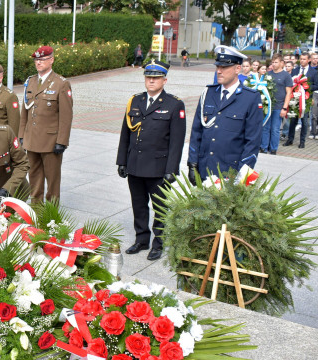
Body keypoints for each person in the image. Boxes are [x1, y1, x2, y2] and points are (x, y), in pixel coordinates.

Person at [116, 60, 186, 261]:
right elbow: (125, 134)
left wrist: (171, 169)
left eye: (156, 78)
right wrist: (122, 161)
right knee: (138, 204)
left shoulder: (174, 104)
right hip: (135, 164)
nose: (151, 81)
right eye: (148, 77)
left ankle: (159, 242)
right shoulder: (135, 101)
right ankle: (141, 239)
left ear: (165, 80)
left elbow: (176, 141)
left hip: (158, 167)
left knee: (160, 207)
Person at [188, 45, 264, 181]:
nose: (219, 71)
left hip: (230, 173)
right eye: (218, 67)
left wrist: (242, 176)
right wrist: (193, 163)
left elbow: (252, 141)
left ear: (237, 69)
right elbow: (196, 131)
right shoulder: (208, 94)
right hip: (204, 170)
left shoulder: (250, 98)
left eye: (224, 67)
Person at [19, 45, 73, 203]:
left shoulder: (61, 83)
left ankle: (51, 215)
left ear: (52, 60)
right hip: (32, 139)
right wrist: (22, 134)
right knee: (34, 178)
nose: (38, 63)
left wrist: (62, 141)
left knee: (52, 181)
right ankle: (36, 210)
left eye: (42, 59)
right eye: (36, 60)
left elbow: (66, 116)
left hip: (51, 141)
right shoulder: (31, 81)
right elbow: (25, 111)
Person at [285, 52, 318, 148]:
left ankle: (302, 141)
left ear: (308, 60)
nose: (302, 61)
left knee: (304, 121)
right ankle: (290, 139)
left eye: (304, 59)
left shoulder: (313, 72)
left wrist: (306, 88)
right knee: (293, 120)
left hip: (306, 100)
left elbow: (317, 85)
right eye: (301, 59)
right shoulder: (295, 70)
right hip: (295, 99)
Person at [261, 54, 292, 154]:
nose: (273, 64)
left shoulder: (286, 75)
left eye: (276, 62)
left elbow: (288, 93)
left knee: (275, 129)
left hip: (279, 106)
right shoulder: (268, 74)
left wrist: (284, 108)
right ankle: (263, 147)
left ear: (282, 63)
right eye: (272, 62)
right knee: (265, 127)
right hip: (268, 106)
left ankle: (273, 148)